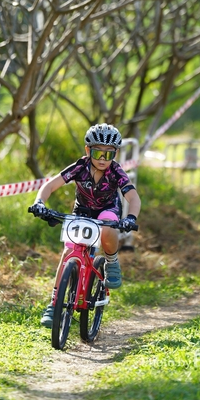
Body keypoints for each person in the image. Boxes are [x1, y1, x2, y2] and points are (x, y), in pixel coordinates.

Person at [30, 123, 141, 328]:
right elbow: (50, 185)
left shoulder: (116, 172)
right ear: (88, 150)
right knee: (67, 253)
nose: (102, 159)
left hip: (108, 210)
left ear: (115, 154)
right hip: (81, 211)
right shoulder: (80, 166)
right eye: (98, 153)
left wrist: (131, 218)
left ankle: (111, 261)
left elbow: (133, 198)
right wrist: (39, 203)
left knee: (108, 227)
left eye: (108, 154)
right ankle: (54, 305)